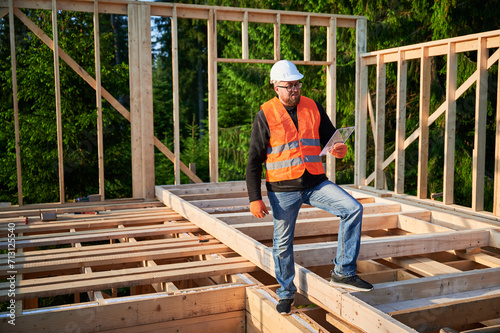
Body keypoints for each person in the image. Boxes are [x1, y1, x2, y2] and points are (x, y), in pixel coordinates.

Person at [246, 60, 373, 315]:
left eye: (297, 84)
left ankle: (343, 272)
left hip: (315, 182)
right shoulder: (266, 115)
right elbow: (253, 160)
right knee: (282, 244)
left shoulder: (312, 106)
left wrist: (339, 149)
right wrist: (254, 198)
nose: (295, 89)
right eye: (289, 85)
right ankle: (285, 293)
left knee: (353, 209)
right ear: (276, 88)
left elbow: (330, 138)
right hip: (282, 190)